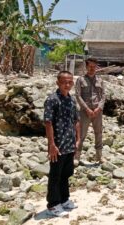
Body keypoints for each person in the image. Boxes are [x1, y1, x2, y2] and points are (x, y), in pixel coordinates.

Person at [44, 71, 80, 217]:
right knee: (55, 175)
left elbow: (76, 120)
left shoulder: (72, 100)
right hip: (57, 146)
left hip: (70, 144)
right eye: (64, 82)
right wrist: (51, 144)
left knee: (66, 174)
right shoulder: (52, 100)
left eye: (70, 82)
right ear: (58, 83)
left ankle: (64, 199)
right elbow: (48, 122)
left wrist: (78, 139)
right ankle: (52, 204)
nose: (67, 84)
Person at [75, 58, 106, 164]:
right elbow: (78, 95)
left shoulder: (100, 80)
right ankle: (76, 157)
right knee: (81, 134)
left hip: (97, 111)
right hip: (85, 111)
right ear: (86, 67)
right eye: (90, 66)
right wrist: (87, 109)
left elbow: (103, 96)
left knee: (98, 133)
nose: (92, 68)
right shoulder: (80, 80)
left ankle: (99, 156)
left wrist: (99, 108)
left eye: (94, 66)